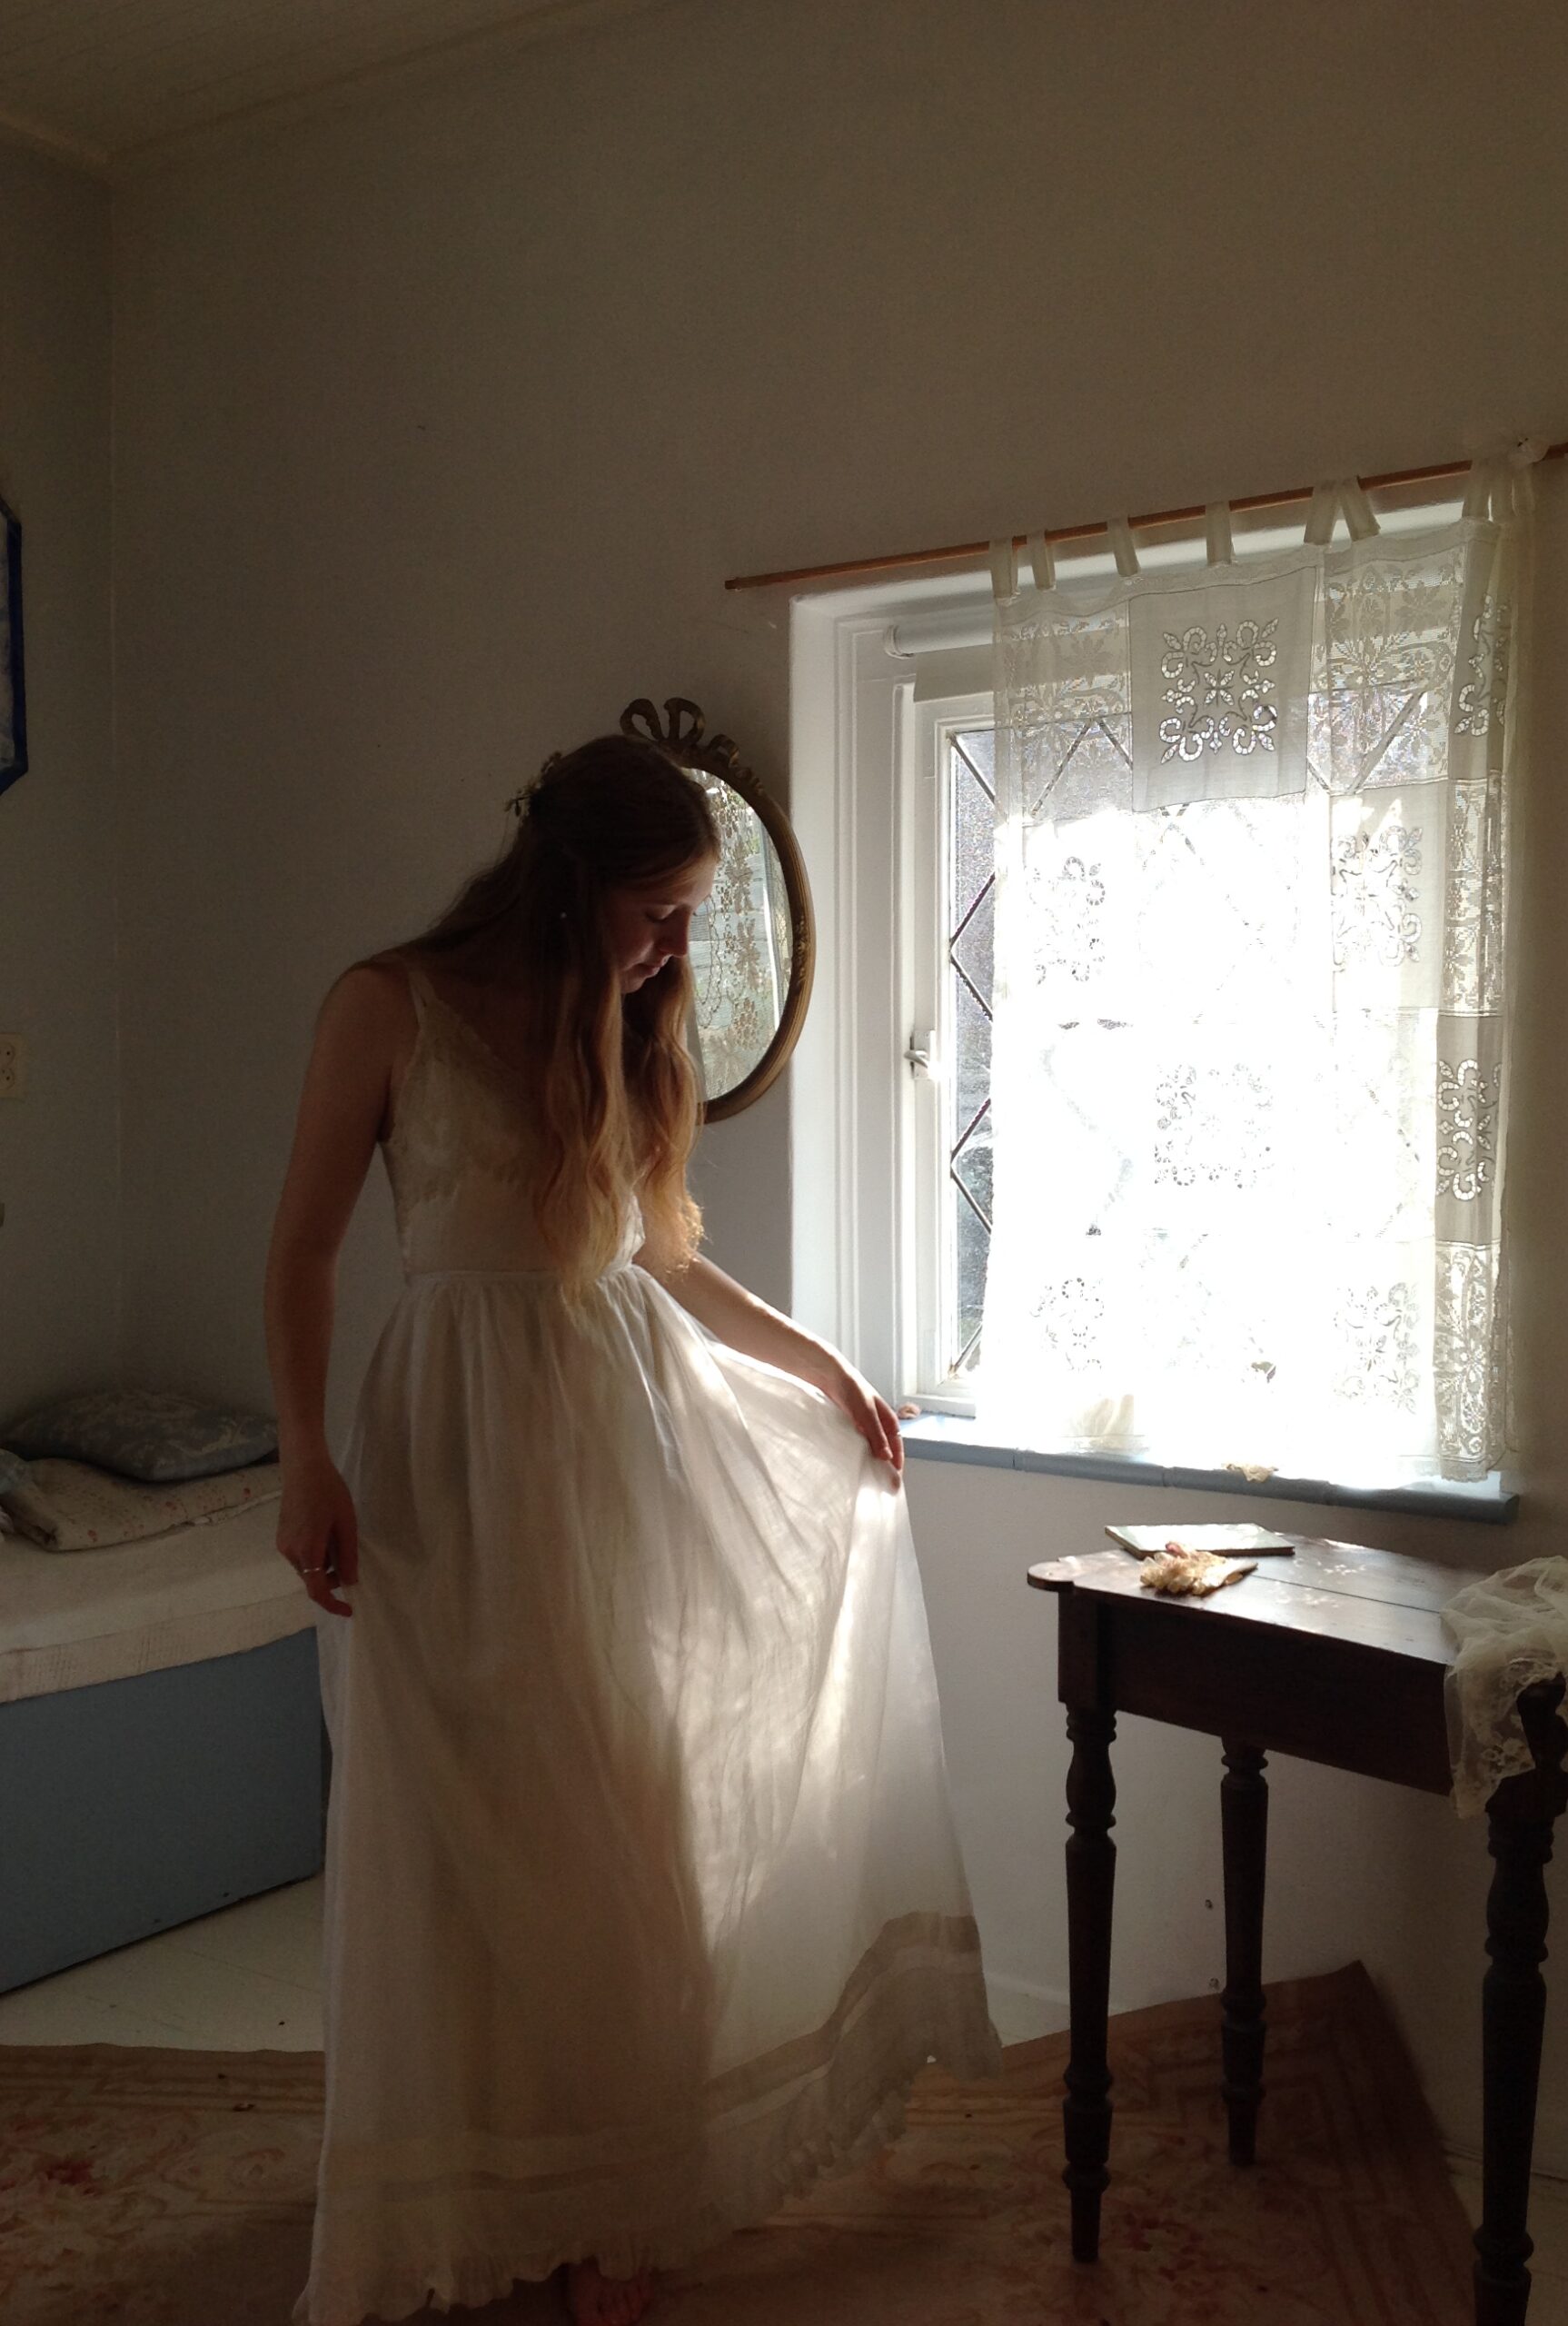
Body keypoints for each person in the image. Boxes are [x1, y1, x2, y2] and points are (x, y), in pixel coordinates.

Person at [264, 733, 1000, 2326]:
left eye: (690, 918)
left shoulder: (624, 1025)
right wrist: (303, 1454)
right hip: (449, 1455)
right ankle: (484, 2183)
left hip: (610, 1449)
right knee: (458, 1828)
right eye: (660, 912)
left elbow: (658, 1255)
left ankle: (616, 2190)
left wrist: (828, 1369)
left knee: (626, 1816)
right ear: (570, 877)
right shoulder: (386, 1004)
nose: (677, 948)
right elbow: (305, 1247)